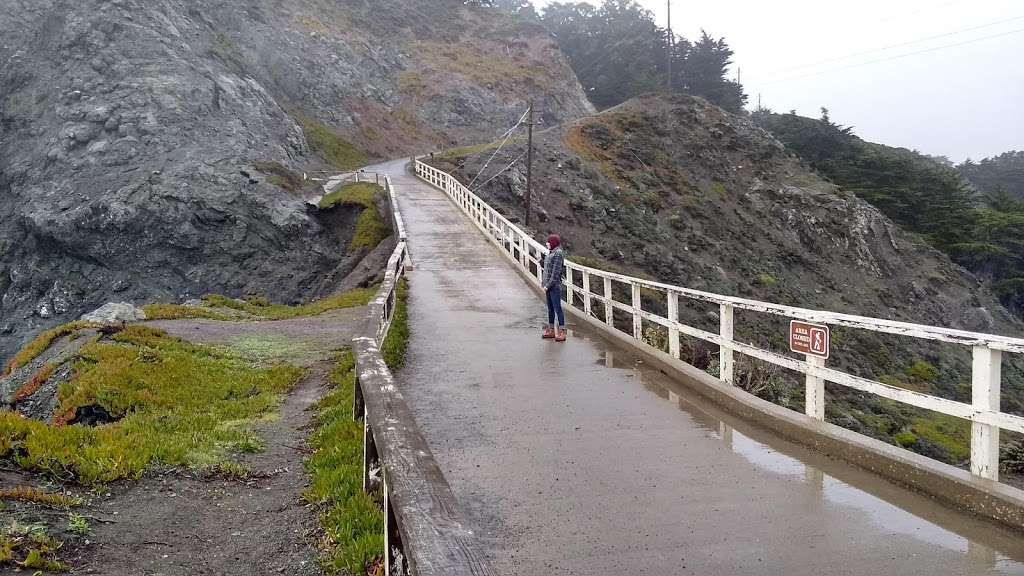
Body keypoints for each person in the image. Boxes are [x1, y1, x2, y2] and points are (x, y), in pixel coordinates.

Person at [541, 234, 567, 342]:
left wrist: (548, 285)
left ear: (553, 242)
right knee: (550, 308)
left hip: (554, 286)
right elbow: (547, 270)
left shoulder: (558, 253)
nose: (547, 243)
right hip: (547, 285)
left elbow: (555, 273)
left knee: (557, 309)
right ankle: (551, 329)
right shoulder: (550, 252)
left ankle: (562, 331)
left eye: (548, 241)